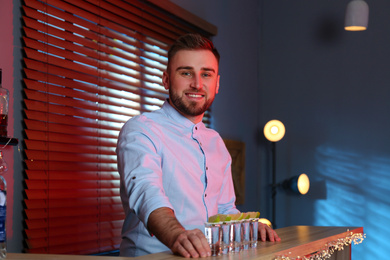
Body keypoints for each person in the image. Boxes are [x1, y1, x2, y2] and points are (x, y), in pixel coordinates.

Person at [116, 33, 280, 258]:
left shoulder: (215, 142)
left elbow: (224, 209)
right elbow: (146, 193)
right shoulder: (141, 129)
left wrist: (250, 229)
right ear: (166, 79)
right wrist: (176, 235)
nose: (197, 83)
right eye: (186, 73)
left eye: (206, 74)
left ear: (217, 83)